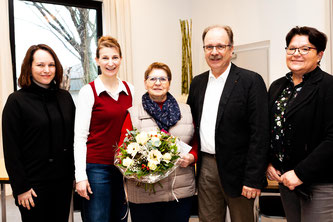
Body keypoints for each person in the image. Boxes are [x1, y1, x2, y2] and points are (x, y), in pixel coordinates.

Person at [187, 25, 269, 222]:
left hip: (241, 171)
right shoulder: (197, 83)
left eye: (220, 46)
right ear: (204, 50)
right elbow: (191, 126)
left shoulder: (251, 81)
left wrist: (253, 178)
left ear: (231, 49)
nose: (214, 52)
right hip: (206, 167)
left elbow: (260, 133)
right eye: (209, 47)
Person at [266, 26, 333, 222]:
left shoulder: (328, 87)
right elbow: (271, 129)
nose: (297, 54)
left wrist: (300, 173)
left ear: (319, 55)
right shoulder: (278, 86)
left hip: (319, 182)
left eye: (305, 49)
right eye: (292, 49)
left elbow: (331, 139)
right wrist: (269, 161)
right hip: (285, 180)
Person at [2, 44, 75, 222]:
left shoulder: (65, 97)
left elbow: (74, 139)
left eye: (51, 65)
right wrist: (21, 187)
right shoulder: (16, 101)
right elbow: (11, 149)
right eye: (40, 65)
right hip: (32, 186)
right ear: (29, 67)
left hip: (63, 182)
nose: (47, 70)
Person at [119, 62, 197, 222]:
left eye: (163, 78)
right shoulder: (133, 114)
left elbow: (196, 143)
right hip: (144, 196)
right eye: (152, 78)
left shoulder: (187, 111)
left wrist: (192, 157)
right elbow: (122, 153)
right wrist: (141, 166)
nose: (157, 83)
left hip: (179, 193)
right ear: (145, 82)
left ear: (169, 82)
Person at [74, 36, 133, 222]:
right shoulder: (88, 91)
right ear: (97, 61)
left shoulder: (130, 89)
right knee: (97, 218)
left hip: (122, 168)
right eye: (105, 58)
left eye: (115, 57)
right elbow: (80, 137)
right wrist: (80, 177)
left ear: (121, 59)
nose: (110, 63)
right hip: (96, 168)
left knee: (120, 218)